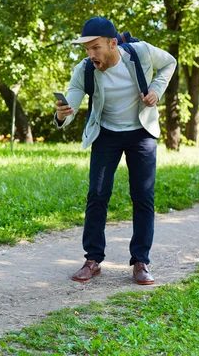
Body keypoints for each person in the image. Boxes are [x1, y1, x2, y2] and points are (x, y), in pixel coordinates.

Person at [54, 17, 176, 285]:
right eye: (87, 49)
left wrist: (156, 89)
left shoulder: (140, 52)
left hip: (141, 132)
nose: (91, 55)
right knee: (97, 195)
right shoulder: (85, 69)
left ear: (112, 43)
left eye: (96, 48)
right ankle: (93, 259)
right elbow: (72, 101)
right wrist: (63, 115)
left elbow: (169, 62)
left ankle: (140, 261)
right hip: (106, 133)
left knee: (143, 196)